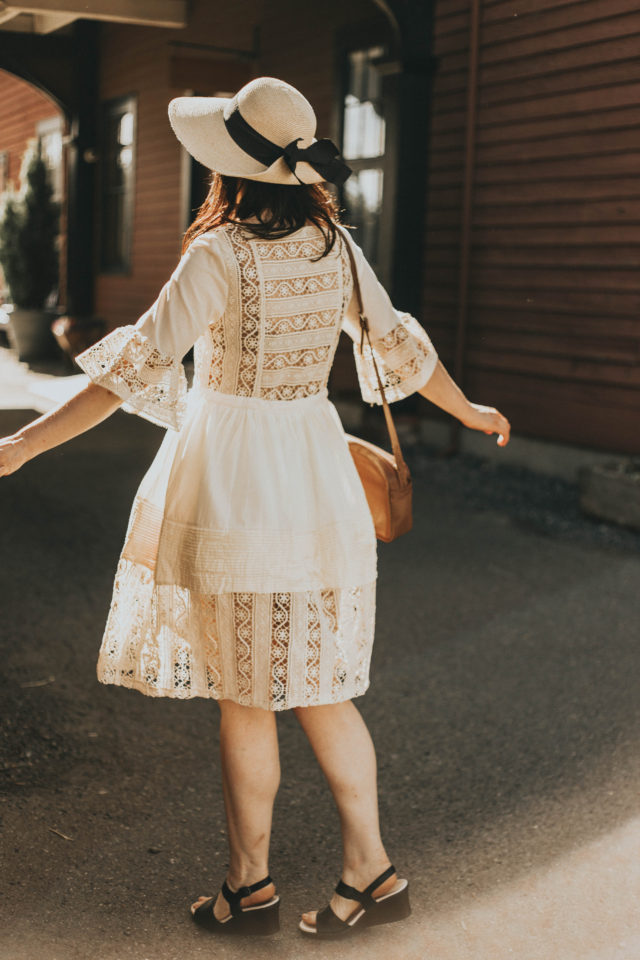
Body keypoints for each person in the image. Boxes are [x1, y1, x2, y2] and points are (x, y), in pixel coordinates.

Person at [0, 77, 510, 939]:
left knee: (247, 694)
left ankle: (250, 887)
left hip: (234, 485)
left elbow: (129, 376)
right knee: (317, 688)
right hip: (312, 478)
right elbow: (397, 347)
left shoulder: (218, 255)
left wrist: (18, 445)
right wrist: (470, 412)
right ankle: (372, 871)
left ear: (226, 170)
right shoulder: (336, 246)